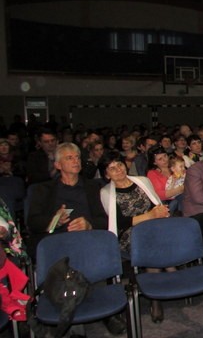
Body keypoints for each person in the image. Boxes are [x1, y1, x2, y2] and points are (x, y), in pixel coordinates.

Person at [27, 143, 125, 335]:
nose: (76, 161)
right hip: (59, 242)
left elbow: (105, 220)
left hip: (87, 241)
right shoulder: (43, 190)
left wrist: (89, 224)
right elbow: (32, 223)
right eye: (69, 158)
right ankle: (73, 321)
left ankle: (106, 312)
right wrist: (54, 220)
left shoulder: (92, 186)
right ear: (57, 165)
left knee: (97, 249)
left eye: (78, 157)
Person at [99, 151, 171, 323]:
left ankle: (167, 275)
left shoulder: (142, 181)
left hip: (152, 227)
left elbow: (156, 205)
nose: (118, 169)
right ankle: (156, 299)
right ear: (106, 174)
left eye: (120, 164)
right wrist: (150, 216)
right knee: (151, 244)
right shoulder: (106, 192)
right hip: (128, 234)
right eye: (112, 168)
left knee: (168, 236)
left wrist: (159, 212)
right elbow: (120, 222)